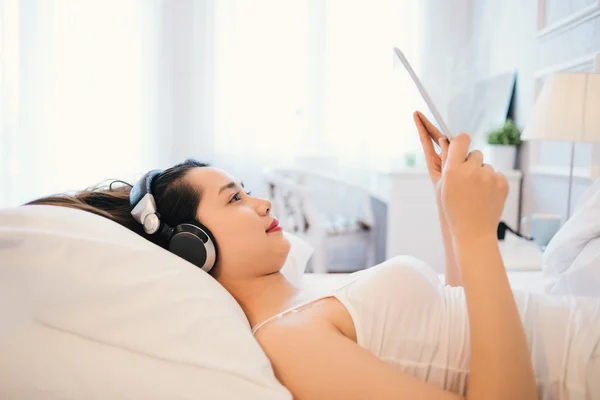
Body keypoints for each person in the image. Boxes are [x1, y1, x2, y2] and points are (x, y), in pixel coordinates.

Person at [26, 112, 599, 400]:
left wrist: (451, 217)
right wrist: (478, 237)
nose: (262, 201)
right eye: (234, 198)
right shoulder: (288, 340)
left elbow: (459, 326)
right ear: (192, 245)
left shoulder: (306, 298)